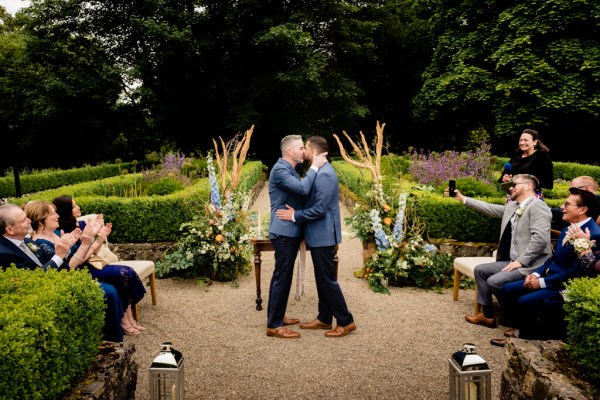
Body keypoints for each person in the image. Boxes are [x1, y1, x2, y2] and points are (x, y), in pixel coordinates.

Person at [0, 203, 125, 342]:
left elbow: (57, 267)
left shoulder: (26, 240)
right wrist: (59, 255)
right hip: (39, 293)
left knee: (110, 290)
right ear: (10, 229)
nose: (29, 221)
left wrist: (66, 251)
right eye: (23, 220)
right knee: (107, 291)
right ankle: (110, 342)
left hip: (58, 278)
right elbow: (35, 277)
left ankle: (113, 337)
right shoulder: (4, 253)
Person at [491, 188, 600, 346]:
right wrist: (535, 274)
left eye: (567, 204)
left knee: (525, 300)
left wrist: (541, 282)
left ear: (582, 209)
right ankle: (520, 327)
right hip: (549, 277)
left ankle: (522, 337)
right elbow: (552, 259)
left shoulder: (593, 234)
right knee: (508, 289)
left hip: (564, 285)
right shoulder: (567, 228)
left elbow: (576, 272)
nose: (562, 207)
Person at [445, 174, 553, 328]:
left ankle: (518, 317)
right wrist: (462, 198)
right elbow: (490, 208)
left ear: (528, 186)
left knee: (494, 282)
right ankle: (487, 316)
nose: (510, 188)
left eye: (514, 184)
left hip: (533, 264)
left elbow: (540, 239)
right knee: (481, 271)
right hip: (512, 261)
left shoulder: (538, 206)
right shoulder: (513, 206)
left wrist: (521, 261)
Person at [276, 136, 356, 338]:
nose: (303, 152)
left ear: (313, 152)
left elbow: (319, 209)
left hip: (323, 234)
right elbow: (312, 200)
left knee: (327, 280)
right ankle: (324, 318)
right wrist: (299, 210)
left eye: (305, 149)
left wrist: (295, 215)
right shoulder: (319, 171)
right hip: (318, 234)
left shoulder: (325, 174)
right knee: (322, 279)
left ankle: (346, 321)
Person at [51, 196, 147, 335]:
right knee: (122, 275)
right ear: (66, 210)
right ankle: (124, 321)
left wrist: (100, 238)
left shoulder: (82, 224)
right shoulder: (61, 232)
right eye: (73, 206)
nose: (78, 208)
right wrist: (92, 241)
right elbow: (79, 259)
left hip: (92, 263)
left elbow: (94, 251)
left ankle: (129, 319)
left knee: (126, 272)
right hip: (80, 269)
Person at [265, 135, 327, 339]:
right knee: (282, 277)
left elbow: (300, 194)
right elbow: (302, 188)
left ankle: (279, 316)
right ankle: (274, 325)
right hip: (283, 231)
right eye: (301, 148)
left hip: (289, 230)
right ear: (290, 152)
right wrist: (316, 166)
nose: (304, 151)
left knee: (284, 275)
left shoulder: (290, 169)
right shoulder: (281, 169)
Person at [499, 128, 553, 199]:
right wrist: (505, 178)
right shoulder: (516, 154)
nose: (522, 143)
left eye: (526, 140)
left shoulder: (542, 155)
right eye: (520, 140)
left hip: (531, 196)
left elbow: (548, 181)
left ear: (535, 142)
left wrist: (525, 182)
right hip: (514, 195)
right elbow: (506, 174)